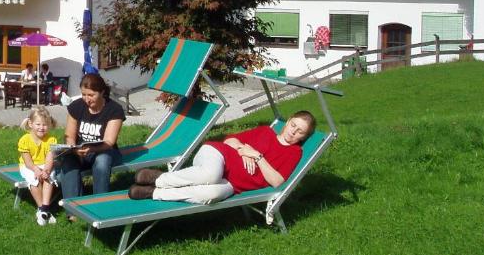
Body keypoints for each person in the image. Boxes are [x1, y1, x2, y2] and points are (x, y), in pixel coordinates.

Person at [129, 111, 316, 203]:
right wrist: (243, 149)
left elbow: (276, 181)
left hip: (233, 186)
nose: (293, 132)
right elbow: (230, 140)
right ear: (289, 121)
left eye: (300, 132)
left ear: (304, 137)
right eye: (293, 125)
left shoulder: (294, 153)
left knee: (210, 194)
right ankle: (159, 178)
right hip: (217, 155)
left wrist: (257, 156)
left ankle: (154, 193)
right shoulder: (265, 132)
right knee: (211, 175)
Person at [57, 72, 125, 205]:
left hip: (105, 151)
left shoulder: (114, 110)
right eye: (83, 94)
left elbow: (109, 142)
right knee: (69, 161)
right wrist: (73, 148)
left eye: (91, 95)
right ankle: (74, 209)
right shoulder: (76, 106)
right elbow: (69, 135)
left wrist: (91, 149)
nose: (87, 99)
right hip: (81, 150)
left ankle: (99, 205)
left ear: (102, 92)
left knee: (102, 161)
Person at [17, 107, 59, 226]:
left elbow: (50, 159)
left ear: (49, 125)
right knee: (33, 179)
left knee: (49, 177)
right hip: (28, 166)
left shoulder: (51, 140)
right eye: (38, 124)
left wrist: (46, 170)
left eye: (45, 125)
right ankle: (43, 209)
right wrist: (36, 170)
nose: (41, 127)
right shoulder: (24, 140)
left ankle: (44, 208)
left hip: (44, 164)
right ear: (31, 124)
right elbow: (28, 162)